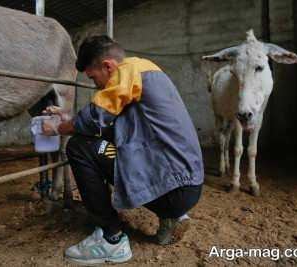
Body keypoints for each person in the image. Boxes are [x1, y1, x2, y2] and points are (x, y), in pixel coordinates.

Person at [42, 35, 204, 265]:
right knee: (92, 141)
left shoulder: (128, 71)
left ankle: (111, 239)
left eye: (94, 77)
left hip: (173, 188)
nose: (96, 86)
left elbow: (91, 120)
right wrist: (71, 120)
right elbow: (109, 128)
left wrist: (58, 127)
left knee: (79, 147)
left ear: (108, 66)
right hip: (187, 184)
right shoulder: (148, 70)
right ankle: (172, 216)